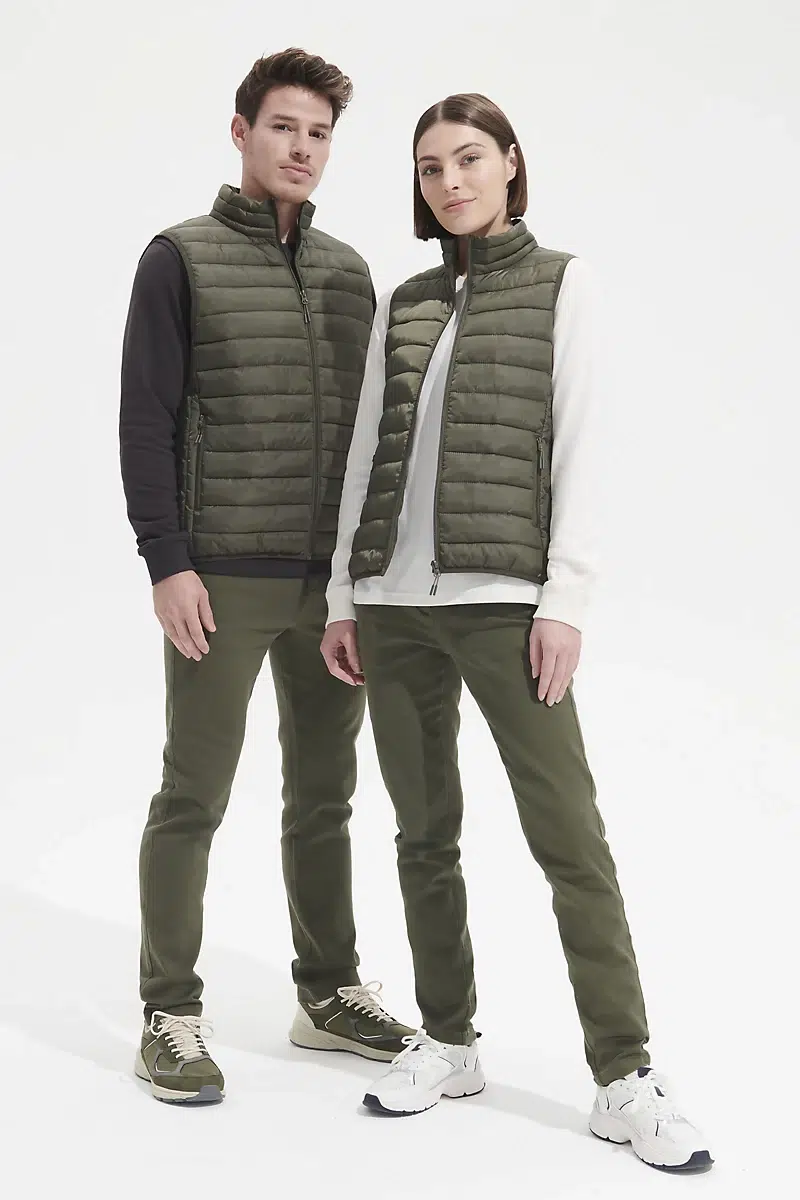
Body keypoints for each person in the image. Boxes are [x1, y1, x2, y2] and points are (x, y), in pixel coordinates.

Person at [321, 93, 713, 1173]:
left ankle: (623, 1075)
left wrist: (565, 599)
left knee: (567, 836)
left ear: (508, 163)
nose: (449, 182)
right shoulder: (406, 301)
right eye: (429, 167)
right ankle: (447, 1043)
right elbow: (366, 450)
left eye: (467, 159)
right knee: (422, 834)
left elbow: (583, 440)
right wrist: (345, 595)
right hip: (395, 606)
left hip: (504, 601)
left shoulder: (561, 284)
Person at [119, 48, 413, 1105]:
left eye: (319, 134)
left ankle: (326, 992)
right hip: (219, 577)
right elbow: (145, 418)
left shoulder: (347, 274)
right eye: (284, 127)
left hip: (326, 588)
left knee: (325, 796)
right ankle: (168, 1010)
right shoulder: (180, 258)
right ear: (241, 131)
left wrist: (360, 580)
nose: (302, 148)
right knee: (192, 794)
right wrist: (168, 561)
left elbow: (371, 435)